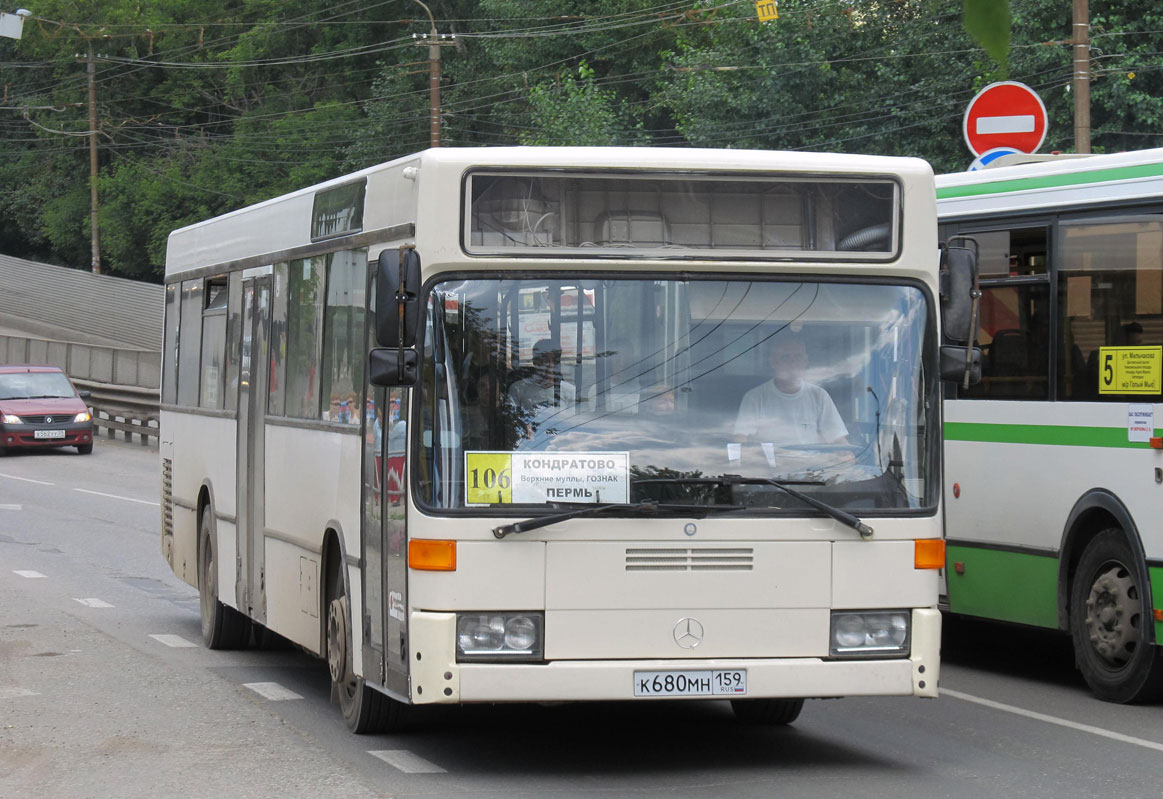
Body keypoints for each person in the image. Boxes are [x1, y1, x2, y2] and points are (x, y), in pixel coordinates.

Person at [734, 333, 848, 449]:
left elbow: (837, 438)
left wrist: (847, 455)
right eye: (786, 357)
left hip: (813, 465)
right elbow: (740, 439)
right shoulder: (755, 397)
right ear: (774, 362)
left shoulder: (819, 395)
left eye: (798, 356)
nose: (793, 362)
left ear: (805, 360)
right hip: (768, 464)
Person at [509, 339, 576, 411]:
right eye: (542, 360)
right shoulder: (518, 389)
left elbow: (573, 420)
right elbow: (513, 418)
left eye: (550, 360)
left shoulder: (570, 391)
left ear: (556, 363)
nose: (546, 365)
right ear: (534, 362)